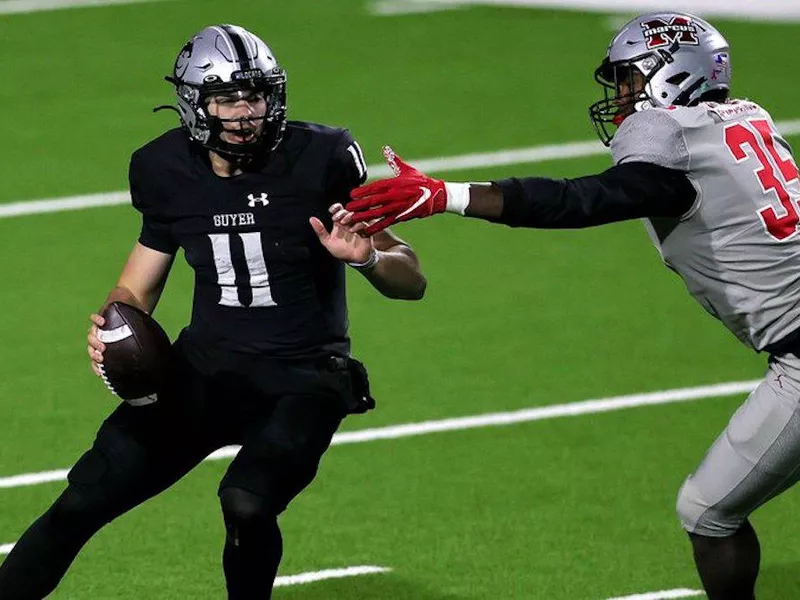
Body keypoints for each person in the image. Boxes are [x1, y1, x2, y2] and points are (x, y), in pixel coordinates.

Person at [346, 13, 800, 600]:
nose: (623, 97)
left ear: (672, 75)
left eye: (631, 80)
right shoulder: (750, 118)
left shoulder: (667, 135)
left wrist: (448, 196)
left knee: (707, 511)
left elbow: (583, 201)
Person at [0, 23, 425, 600]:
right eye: (228, 98)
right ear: (195, 105)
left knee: (246, 502)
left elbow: (411, 280)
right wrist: (111, 326)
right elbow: (136, 285)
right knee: (85, 496)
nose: (246, 112)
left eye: (257, 96)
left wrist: (368, 256)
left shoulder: (321, 156)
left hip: (304, 375)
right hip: (204, 370)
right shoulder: (163, 168)